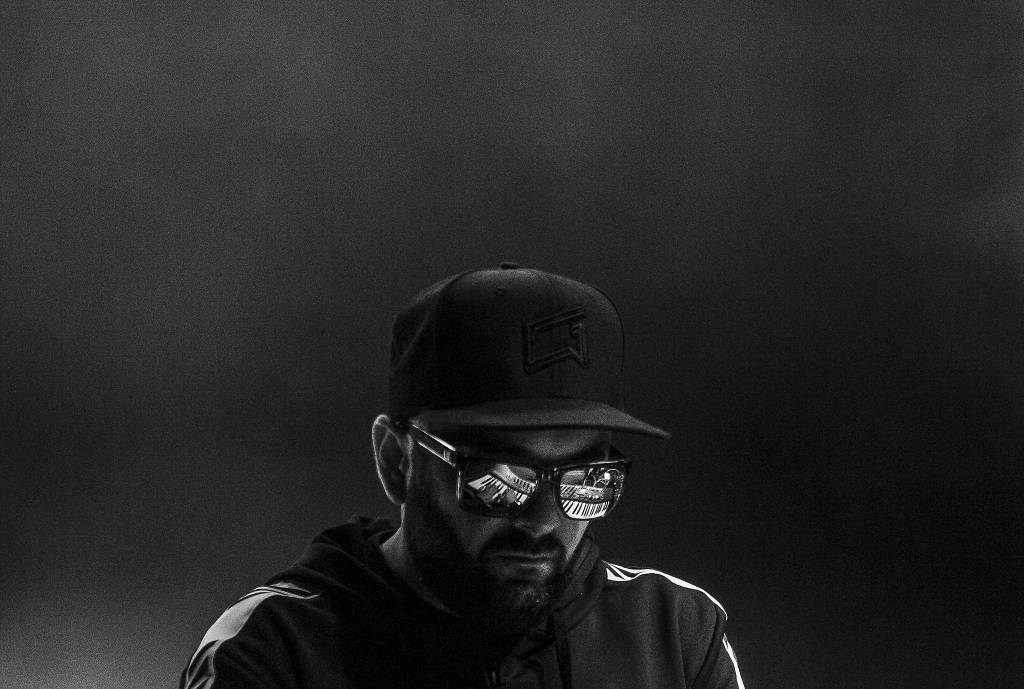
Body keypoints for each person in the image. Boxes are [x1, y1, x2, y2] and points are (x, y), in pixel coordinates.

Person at [180, 263, 747, 689]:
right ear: (397, 461)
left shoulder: (674, 635)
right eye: (500, 479)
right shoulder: (274, 652)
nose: (543, 521)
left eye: (586, 481)